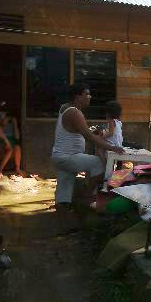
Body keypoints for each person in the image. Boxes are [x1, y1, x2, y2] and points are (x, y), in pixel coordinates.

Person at [50, 83, 125, 231]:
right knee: (99, 164)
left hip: (62, 156)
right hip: (68, 156)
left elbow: (78, 130)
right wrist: (112, 147)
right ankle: (86, 196)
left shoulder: (65, 107)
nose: (90, 97)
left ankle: (62, 225)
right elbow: (89, 136)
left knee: (64, 190)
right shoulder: (74, 112)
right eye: (87, 94)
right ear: (78, 96)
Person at [0, 103, 23, 178]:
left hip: (11, 144)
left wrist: (14, 123)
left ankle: (17, 169)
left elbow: (17, 137)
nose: (4, 117)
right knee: (9, 149)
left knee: (17, 148)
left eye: (5, 115)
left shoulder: (11, 124)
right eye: (2, 115)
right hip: (1, 145)